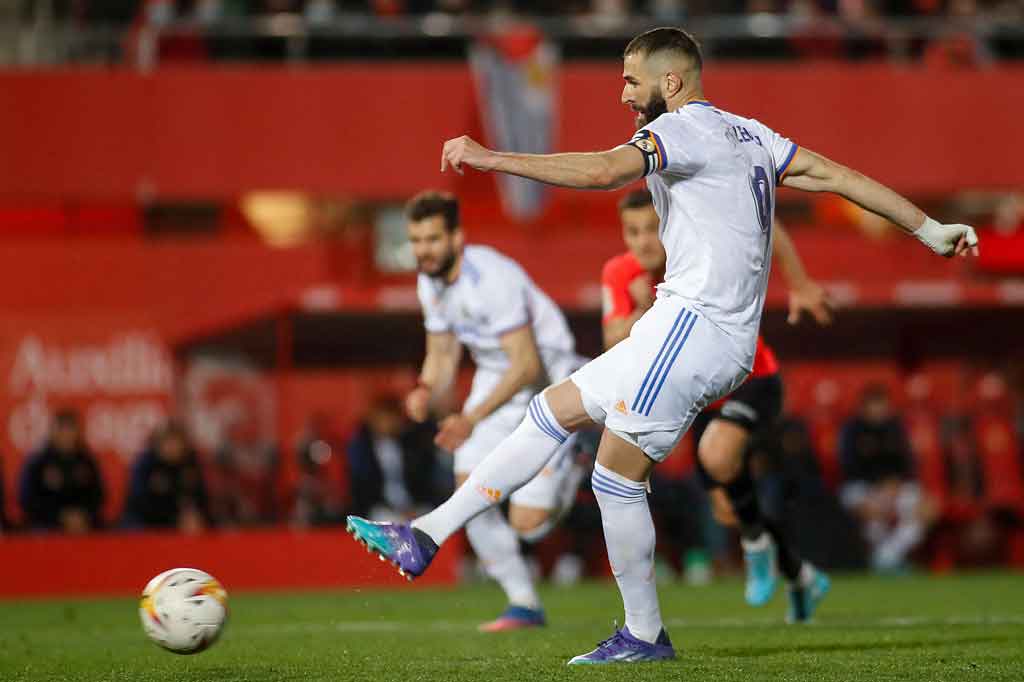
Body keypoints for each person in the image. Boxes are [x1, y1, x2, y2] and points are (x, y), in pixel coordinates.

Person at [347, 27, 979, 665]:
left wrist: (492, 159)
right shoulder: (750, 133)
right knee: (552, 409)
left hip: (695, 328)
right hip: (685, 326)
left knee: (615, 479)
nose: (623, 94)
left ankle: (644, 635)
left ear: (671, 82)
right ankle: (426, 535)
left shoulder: (678, 131)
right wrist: (928, 229)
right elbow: (835, 174)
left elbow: (600, 170)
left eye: (630, 80)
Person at [602, 188, 833, 621]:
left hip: (750, 378)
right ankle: (801, 576)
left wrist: (799, 282)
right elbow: (610, 339)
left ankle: (755, 547)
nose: (644, 241)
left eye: (652, 228)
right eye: (632, 232)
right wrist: (641, 306)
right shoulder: (620, 273)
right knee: (730, 506)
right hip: (700, 398)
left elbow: (769, 227)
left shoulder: (698, 254)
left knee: (718, 454)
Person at [387, 190, 586, 632]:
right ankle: (524, 603)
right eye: (416, 240)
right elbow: (441, 353)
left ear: (457, 237)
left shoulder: (491, 278)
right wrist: (425, 389)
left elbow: (527, 363)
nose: (423, 250)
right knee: (468, 494)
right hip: (497, 378)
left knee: (529, 524)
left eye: (433, 239)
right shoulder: (430, 282)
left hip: (550, 380)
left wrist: (470, 418)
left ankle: (575, 454)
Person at [839, 384, 936, 572]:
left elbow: (908, 465)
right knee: (872, 513)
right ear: (864, 407)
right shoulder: (851, 430)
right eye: (874, 405)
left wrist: (894, 486)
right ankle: (889, 560)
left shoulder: (897, 428)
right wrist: (879, 487)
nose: (878, 410)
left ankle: (886, 557)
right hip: (862, 487)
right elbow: (849, 468)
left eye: (881, 405)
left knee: (927, 510)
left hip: (897, 486)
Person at [346, 396, 443, 522]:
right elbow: (363, 488)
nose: (387, 424)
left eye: (390, 419)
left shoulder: (413, 446)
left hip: (413, 506)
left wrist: (411, 507)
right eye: (382, 419)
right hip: (381, 508)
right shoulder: (362, 449)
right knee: (384, 518)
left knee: (432, 516)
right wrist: (393, 508)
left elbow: (423, 481)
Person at [18, 410, 105, 533]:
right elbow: (28, 500)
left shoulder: (86, 461)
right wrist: (60, 517)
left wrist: (83, 516)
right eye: (62, 430)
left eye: (70, 430)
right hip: (46, 523)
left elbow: (98, 496)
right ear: (52, 433)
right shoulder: (38, 462)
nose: (66, 436)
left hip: (83, 522)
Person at [123, 421, 211, 533]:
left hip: (179, 521)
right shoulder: (146, 464)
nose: (172, 447)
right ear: (158, 444)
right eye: (168, 442)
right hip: (146, 519)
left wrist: (194, 514)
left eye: (176, 442)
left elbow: (200, 497)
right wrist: (173, 517)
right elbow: (138, 501)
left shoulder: (190, 465)